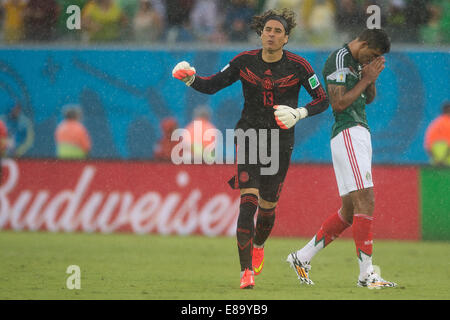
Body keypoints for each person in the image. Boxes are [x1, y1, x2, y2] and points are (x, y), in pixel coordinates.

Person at [172, 8, 329, 289]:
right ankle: (246, 272)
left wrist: (300, 113)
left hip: (280, 142)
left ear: (286, 38)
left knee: (268, 210)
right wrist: (191, 78)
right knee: (248, 202)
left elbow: (322, 99)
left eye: (277, 31)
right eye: (267, 30)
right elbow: (212, 85)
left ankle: (258, 244)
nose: (271, 34)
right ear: (260, 33)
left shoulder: (299, 66)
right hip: (249, 137)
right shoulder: (244, 61)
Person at [286, 28, 397, 289]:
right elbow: (337, 104)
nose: (372, 59)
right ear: (365, 43)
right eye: (373, 54)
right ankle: (366, 275)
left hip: (358, 131)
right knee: (366, 199)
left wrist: (371, 77)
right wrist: (364, 77)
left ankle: (301, 257)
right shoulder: (338, 59)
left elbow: (367, 98)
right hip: (347, 131)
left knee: (349, 211)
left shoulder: (359, 63)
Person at [424, 102, 450, 167]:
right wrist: (443, 159)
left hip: (435, 162)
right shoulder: (448, 123)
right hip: (447, 160)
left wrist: (436, 159)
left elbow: (427, 146)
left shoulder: (435, 123)